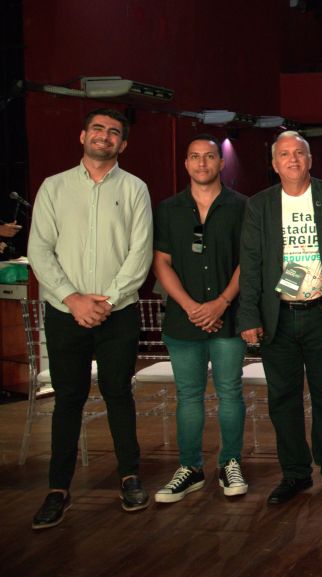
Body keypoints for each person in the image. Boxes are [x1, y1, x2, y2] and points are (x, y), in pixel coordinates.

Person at [27, 108, 153, 529]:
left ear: (123, 144)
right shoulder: (54, 187)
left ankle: (130, 477)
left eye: (114, 132)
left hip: (119, 313)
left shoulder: (135, 189)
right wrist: (73, 299)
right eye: (97, 129)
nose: (105, 136)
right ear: (83, 136)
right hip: (66, 312)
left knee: (119, 394)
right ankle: (57, 490)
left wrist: (107, 301)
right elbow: (39, 249)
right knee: (68, 399)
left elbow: (140, 253)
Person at [238, 130, 322, 504]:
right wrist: (248, 315)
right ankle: (295, 473)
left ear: (310, 160)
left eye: (299, 153)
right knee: (283, 399)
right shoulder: (259, 205)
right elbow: (251, 263)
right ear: (274, 164)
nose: (292, 159)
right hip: (278, 315)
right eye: (284, 154)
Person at [152, 135, 249, 503]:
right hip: (183, 320)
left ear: (221, 163)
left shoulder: (242, 206)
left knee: (230, 393)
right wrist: (192, 306)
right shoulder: (168, 209)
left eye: (209, 156)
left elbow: (248, 261)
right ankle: (189, 468)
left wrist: (220, 303)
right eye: (195, 157)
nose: (202, 163)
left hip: (229, 318)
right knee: (188, 396)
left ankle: (230, 463)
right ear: (186, 163)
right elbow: (161, 262)